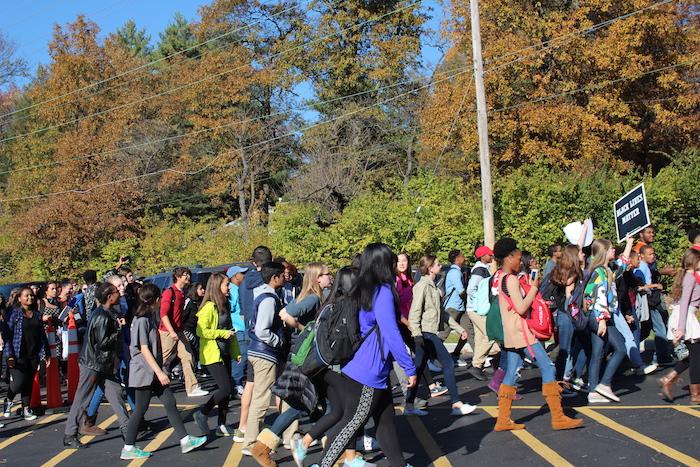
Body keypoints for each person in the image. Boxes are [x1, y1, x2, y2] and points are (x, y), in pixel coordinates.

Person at [318, 243, 418, 467]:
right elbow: (391, 333)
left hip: (366, 367)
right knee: (351, 424)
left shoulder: (363, 287)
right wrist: (409, 367)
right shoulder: (381, 291)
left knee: (386, 421)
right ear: (384, 263)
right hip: (368, 372)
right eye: (392, 260)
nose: (395, 264)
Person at [493, 237, 583, 432]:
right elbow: (521, 307)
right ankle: (558, 417)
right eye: (518, 257)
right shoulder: (510, 279)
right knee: (548, 368)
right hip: (521, 332)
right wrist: (534, 287)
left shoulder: (501, 277)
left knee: (510, 373)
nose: (520, 261)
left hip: (511, 333)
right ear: (509, 258)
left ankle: (503, 419)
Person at [251, 263, 333, 465]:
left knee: (312, 404)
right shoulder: (313, 298)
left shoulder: (315, 296)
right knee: (317, 404)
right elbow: (285, 313)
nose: (331, 276)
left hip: (306, 356)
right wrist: (304, 328)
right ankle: (329, 446)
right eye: (327, 274)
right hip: (307, 358)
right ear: (317, 278)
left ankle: (329, 445)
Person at [120, 283, 207, 459]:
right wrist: (159, 372)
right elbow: (143, 349)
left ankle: (185, 440)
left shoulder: (149, 317)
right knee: (140, 409)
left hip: (152, 370)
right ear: (156, 300)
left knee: (169, 401)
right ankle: (128, 447)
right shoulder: (141, 320)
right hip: (144, 371)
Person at [405, 255, 476, 417]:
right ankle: (456, 404)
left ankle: (409, 405)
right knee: (448, 364)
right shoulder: (422, 286)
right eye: (437, 264)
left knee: (418, 368)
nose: (440, 265)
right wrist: (417, 335)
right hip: (425, 334)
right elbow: (414, 312)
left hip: (428, 333)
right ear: (430, 268)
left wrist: (458, 328)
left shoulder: (433, 287)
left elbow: (442, 313)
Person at [63, 282, 130, 449]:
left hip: (103, 364)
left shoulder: (107, 313)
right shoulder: (101, 315)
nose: (119, 293)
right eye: (116, 291)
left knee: (116, 395)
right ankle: (70, 434)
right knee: (82, 398)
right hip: (92, 364)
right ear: (109, 296)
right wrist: (118, 331)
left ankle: (127, 429)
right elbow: (102, 342)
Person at [242, 261, 287, 454]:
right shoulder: (269, 298)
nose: (285, 277)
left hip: (259, 352)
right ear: (274, 277)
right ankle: (250, 442)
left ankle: (283, 436)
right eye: (282, 275)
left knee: (264, 396)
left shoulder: (264, 295)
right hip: (265, 353)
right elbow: (261, 330)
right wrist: (277, 341)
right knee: (261, 400)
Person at [584, 237, 633, 404]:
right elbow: (600, 296)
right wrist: (602, 320)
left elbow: (622, 266)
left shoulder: (606, 270)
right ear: (604, 252)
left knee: (597, 353)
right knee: (620, 348)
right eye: (612, 248)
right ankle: (604, 384)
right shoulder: (600, 273)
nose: (614, 251)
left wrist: (630, 243)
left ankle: (592, 391)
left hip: (596, 316)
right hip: (600, 316)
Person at [193, 273, 241, 437]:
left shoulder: (225, 305)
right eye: (226, 284)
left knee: (227, 392)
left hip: (225, 352)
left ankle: (222, 424)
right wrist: (221, 333)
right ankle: (203, 412)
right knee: (226, 388)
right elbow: (201, 331)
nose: (229, 287)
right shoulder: (208, 307)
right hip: (212, 354)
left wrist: (236, 353)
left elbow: (231, 331)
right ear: (216, 287)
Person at [236, 246, 273, 444]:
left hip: (251, 336)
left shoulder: (244, 284)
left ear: (253, 263)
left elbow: (243, 310)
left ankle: (242, 426)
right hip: (265, 339)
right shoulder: (268, 280)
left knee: (250, 384)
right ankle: (255, 431)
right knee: (265, 388)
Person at [3, 287, 50, 421]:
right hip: (18, 354)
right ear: (19, 299)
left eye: (31, 296)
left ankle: (26, 409)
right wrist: (9, 356)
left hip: (33, 354)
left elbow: (41, 336)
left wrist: (46, 353)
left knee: (28, 383)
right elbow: (7, 336)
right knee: (18, 382)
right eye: (26, 296)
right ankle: (9, 399)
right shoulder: (14, 314)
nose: (30, 298)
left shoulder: (36, 315)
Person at [659, 248, 700, 402]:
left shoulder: (691, 276)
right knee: (696, 356)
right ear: (694, 261)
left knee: (692, 356)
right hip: (685, 316)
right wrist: (682, 328)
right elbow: (684, 303)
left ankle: (668, 379)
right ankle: (695, 393)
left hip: (686, 315)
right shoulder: (690, 277)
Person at [159, 267, 207, 397]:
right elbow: (163, 314)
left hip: (179, 331)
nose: (188, 277)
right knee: (161, 359)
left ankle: (192, 388)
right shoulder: (170, 292)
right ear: (178, 277)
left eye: (188, 274)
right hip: (168, 332)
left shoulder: (182, 293)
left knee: (187, 356)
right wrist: (171, 331)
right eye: (185, 275)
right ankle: (145, 384)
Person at [466, 245, 498, 379]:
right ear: (482, 257)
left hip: (474, 309)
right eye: (489, 255)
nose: (491, 257)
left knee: (480, 338)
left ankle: (477, 366)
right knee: (491, 336)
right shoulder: (480, 270)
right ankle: (477, 364)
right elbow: (471, 289)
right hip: (477, 309)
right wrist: (480, 301)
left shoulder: (482, 269)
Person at [636, 245, 672, 365]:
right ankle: (661, 358)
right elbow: (640, 285)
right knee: (660, 329)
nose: (653, 256)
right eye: (650, 254)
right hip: (649, 302)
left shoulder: (647, 266)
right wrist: (655, 286)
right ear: (642, 256)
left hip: (651, 300)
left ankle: (629, 348)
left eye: (653, 254)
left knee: (645, 330)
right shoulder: (641, 267)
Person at [444, 249, 472, 368]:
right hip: (453, 307)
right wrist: (469, 300)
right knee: (444, 333)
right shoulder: (454, 273)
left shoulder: (457, 271)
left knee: (467, 332)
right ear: (457, 259)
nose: (464, 258)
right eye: (462, 256)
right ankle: (430, 357)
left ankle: (455, 355)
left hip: (460, 307)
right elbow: (461, 291)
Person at [227, 265, 249, 397]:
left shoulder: (238, 289)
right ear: (235, 276)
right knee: (241, 356)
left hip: (242, 328)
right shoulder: (232, 291)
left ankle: (237, 382)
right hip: (238, 329)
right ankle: (236, 384)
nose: (244, 276)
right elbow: (230, 310)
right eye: (242, 273)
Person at [182, 281, 205, 370]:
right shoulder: (189, 302)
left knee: (197, 347)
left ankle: (199, 366)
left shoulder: (201, 302)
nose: (203, 290)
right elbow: (183, 316)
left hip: (197, 329)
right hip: (187, 329)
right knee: (193, 347)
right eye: (201, 289)